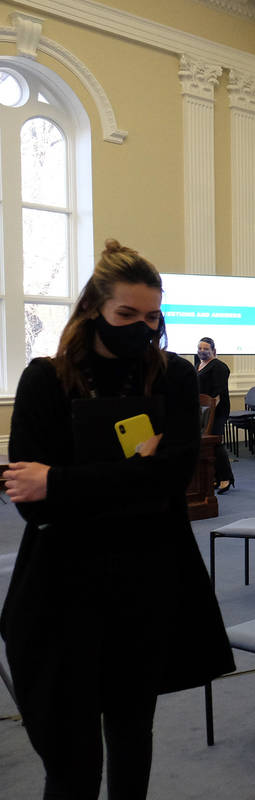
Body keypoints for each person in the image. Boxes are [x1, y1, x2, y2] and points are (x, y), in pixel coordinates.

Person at [0, 240, 234, 799]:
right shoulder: (45, 381)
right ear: (93, 311)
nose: (142, 328)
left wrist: (60, 479)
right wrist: (132, 473)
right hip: (63, 592)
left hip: (145, 585)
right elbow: (30, 503)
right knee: (71, 762)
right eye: (126, 315)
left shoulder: (174, 378)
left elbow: (171, 479)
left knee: (133, 738)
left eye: (152, 316)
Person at [195, 337, 234, 493]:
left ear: (213, 351)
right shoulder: (198, 365)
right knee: (207, 445)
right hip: (202, 410)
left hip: (216, 412)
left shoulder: (219, 367)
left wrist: (210, 415)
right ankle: (215, 477)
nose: (202, 351)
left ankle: (226, 478)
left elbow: (217, 394)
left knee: (215, 442)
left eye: (206, 349)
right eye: (200, 348)